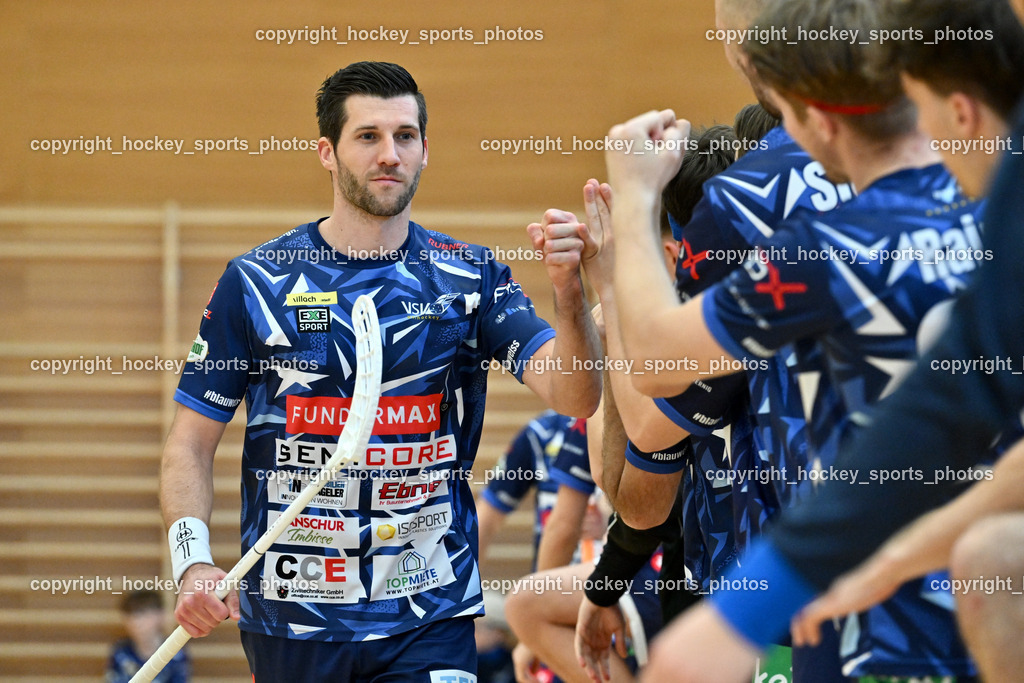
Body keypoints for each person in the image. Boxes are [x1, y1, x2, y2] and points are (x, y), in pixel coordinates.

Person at [160, 61, 602, 683]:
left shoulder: (470, 278)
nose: (389, 154)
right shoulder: (256, 283)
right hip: (294, 620)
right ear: (327, 152)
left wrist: (567, 293)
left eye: (405, 136)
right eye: (367, 136)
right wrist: (193, 563)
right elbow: (189, 443)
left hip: (429, 616)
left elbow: (575, 394)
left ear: (425, 150)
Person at [601, 0, 994, 677]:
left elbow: (660, 366)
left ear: (815, 119)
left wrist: (635, 203)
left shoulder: (825, 249)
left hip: (862, 628)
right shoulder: (995, 209)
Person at [476, 410, 596, 572]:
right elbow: (486, 517)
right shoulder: (542, 431)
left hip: (618, 583)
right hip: (556, 578)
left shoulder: (632, 425)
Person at [106, 590, 189, 683]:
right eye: (131, 615)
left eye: (143, 613)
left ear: (160, 614)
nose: (136, 622)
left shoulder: (176, 652)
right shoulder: (121, 651)